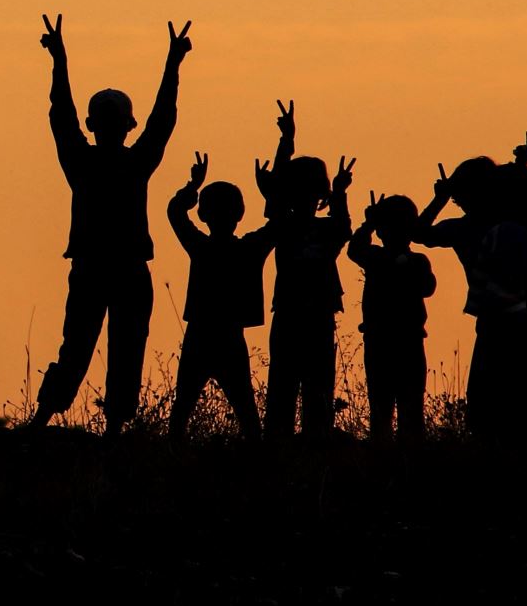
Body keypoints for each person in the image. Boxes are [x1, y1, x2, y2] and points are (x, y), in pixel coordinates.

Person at [33, 15, 191, 435]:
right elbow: (162, 122)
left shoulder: (83, 163)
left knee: (88, 347)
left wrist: (60, 62)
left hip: (98, 269)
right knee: (118, 349)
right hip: (118, 270)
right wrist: (172, 65)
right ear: (127, 124)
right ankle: (107, 430)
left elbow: (61, 116)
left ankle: (46, 422)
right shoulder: (132, 163)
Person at [417, 148, 527, 447]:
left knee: (495, 395)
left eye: (460, 195)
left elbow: (419, 232)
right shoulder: (509, 222)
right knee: (511, 394)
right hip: (511, 315)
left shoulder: (468, 227)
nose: (458, 201)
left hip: (508, 317)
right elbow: (420, 234)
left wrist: (439, 197)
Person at [164, 152, 276, 440]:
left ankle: (175, 457)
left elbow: (175, 212)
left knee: (182, 410)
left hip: (200, 334)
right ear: (240, 214)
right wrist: (269, 193)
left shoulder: (201, 247)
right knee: (246, 413)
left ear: (202, 214)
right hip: (230, 335)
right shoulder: (249, 250)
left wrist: (192, 186)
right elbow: (277, 226)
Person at [261, 100, 353, 440]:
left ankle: (306, 440)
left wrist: (287, 142)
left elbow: (342, 225)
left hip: (309, 315)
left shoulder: (302, 228)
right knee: (290, 384)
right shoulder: (283, 226)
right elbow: (276, 195)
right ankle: (291, 440)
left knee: (309, 386)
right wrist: (287, 142)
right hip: (296, 314)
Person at [347, 192, 437, 443]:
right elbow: (355, 251)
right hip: (395, 340)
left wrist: (369, 224)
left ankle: (395, 455)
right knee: (391, 406)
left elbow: (355, 250)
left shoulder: (383, 258)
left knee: (392, 406)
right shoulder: (401, 259)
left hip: (393, 340)